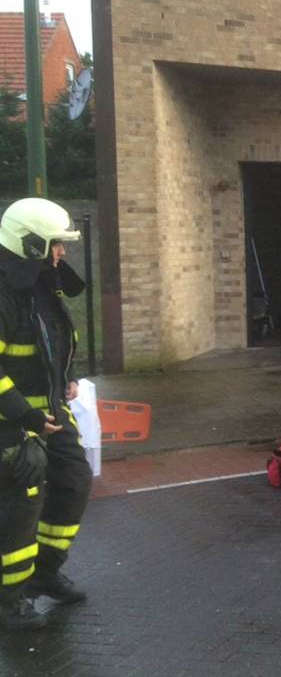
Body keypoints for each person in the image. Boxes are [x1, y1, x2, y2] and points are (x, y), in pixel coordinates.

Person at [0, 198, 93, 630]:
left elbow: (55, 339)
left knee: (73, 481)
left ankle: (45, 574)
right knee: (21, 504)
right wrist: (26, 417)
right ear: (31, 242)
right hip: (11, 423)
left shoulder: (42, 281)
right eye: (56, 244)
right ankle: (8, 598)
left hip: (52, 413)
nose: (62, 253)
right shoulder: (3, 289)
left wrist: (68, 375)